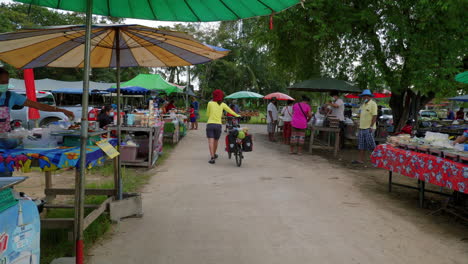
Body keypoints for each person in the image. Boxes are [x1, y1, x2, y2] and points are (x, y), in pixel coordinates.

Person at [0, 67, 74, 177]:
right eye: (2, 82)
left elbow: (38, 105)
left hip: (5, 140)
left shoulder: (11, 96)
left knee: (4, 170)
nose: (4, 84)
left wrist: (61, 110)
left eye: (6, 82)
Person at [206, 89, 240, 164]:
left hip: (210, 124)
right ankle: (214, 154)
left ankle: (212, 157)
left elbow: (207, 115)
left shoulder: (209, 103)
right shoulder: (223, 104)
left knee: (210, 141)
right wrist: (237, 115)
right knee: (216, 141)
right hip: (218, 125)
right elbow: (230, 111)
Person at [353, 89, 378, 164]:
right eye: (364, 96)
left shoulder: (373, 104)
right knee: (361, 145)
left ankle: (377, 160)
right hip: (361, 127)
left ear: (370, 96)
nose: (365, 97)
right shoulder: (362, 105)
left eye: (366, 96)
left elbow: (374, 115)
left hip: (369, 128)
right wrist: (356, 118)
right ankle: (360, 160)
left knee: (372, 145)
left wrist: (371, 126)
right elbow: (359, 114)